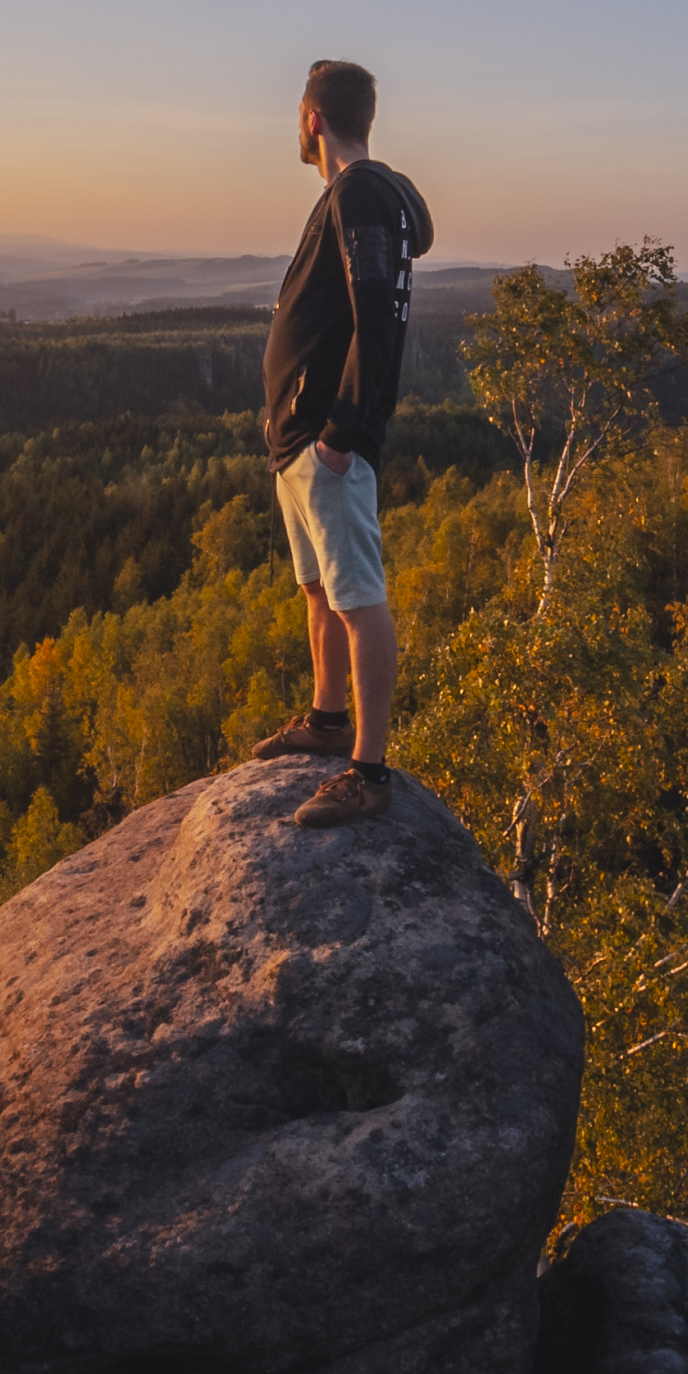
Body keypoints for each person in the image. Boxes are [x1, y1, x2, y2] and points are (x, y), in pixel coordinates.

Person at [246, 59, 432, 827]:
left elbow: (376, 317)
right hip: (302, 443)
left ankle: (369, 771)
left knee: (358, 598)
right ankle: (328, 720)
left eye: (299, 114)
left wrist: (341, 432)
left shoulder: (358, 194)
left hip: (328, 443)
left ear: (313, 119)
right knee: (321, 589)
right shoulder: (358, 195)